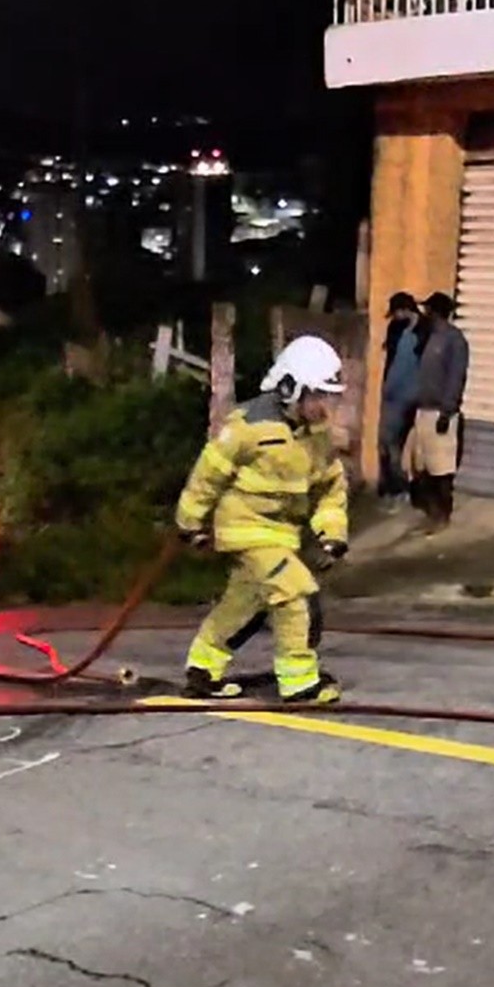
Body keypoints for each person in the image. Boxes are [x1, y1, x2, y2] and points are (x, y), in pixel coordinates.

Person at [175, 334, 349, 705]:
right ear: (290, 388)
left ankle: (202, 669)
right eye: (317, 396)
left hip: (282, 535)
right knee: (295, 593)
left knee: (244, 604)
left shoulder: (316, 435)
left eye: (328, 397)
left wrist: (332, 533)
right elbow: (208, 477)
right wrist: (190, 523)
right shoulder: (246, 427)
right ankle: (299, 681)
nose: (324, 407)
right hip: (246, 531)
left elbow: (330, 486)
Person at [403, 291, 469, 534]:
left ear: (436, 312)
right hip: (423, 411)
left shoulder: (454, 340)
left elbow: (456, 376)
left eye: (428, 309)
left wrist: (447, 411)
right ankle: (431, 513)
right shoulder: (429, 337)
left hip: (441, 414)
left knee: (441, 469)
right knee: (421, 466)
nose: (424, 313)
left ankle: (442, 516)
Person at [379, 292, 421, 507]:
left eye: (396, 313)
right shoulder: (396, 329)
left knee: (399, 446)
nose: (394, 317)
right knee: (387, 444)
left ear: (406, 310)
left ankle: (401, 489)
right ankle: (392, 487)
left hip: (409, 397)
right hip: (393, 395)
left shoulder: (422, 332)